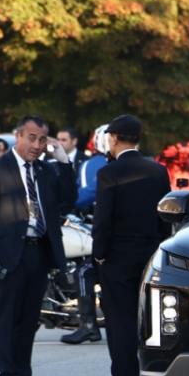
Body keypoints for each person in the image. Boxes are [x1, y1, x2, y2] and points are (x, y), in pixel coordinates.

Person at [0, 115, 77, 376]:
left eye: (42, 139)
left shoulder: (44, 170)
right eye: (31, 137)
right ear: (18, 136)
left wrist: (63, 160)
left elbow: (69, 198)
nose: (36, 144)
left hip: (37, 252)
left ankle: (23, 375)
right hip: (6, 255)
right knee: (6, 318)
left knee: (29, 319)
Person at [91, 115, 172, 376]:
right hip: (151, 252)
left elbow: (103, 221)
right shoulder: (158, 171)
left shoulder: (108, 173)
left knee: (120, 321)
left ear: (113, 138)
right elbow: (166, 216)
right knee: (153, 319)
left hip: (118, 257)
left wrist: (99, 254)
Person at [62, 124, 111, 345]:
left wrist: (60, 201)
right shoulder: (150, 166)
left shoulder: (98, 167)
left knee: (84, 271)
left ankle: (88, 325)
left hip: (103, 233)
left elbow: (83, 197)